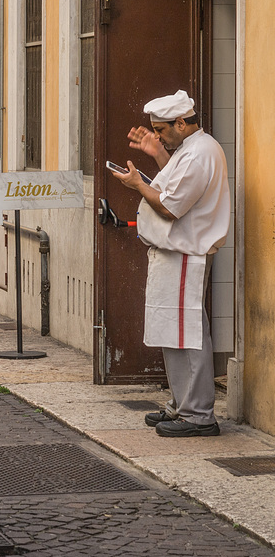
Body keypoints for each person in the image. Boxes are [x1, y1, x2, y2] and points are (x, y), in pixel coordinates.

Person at [109, 90, 230, 437]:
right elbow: (177, 189)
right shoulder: (190, 151)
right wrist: (159, 154)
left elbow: (169, 206)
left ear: (181, 123)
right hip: (176, 253)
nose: (157, 135)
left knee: (186, 333)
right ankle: (183, 406)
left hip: (185, 253)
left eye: (161, 131)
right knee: (173, 332)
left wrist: (136, 185)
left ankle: (197, 414)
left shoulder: (199, 154)